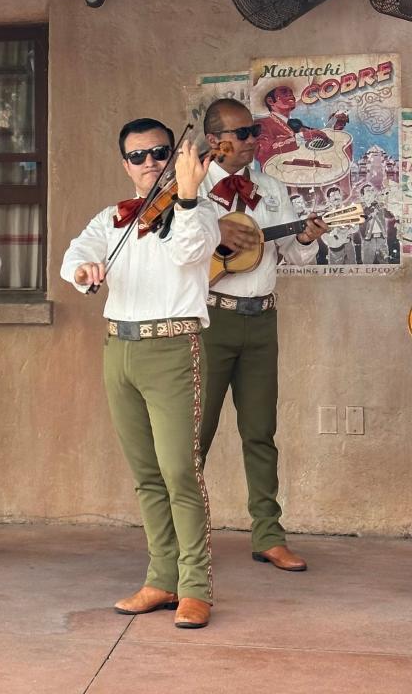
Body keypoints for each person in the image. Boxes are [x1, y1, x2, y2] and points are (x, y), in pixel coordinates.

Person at [60, 118, 219, 629]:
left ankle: (195, 586)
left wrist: (189, 199)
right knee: (147, 475)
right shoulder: (112, 217)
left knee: (179, 471)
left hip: (173, 347)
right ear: (123, 163)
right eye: (138, 155)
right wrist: (84, 271)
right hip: (119, 348)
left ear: (175, 156)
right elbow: (76, 254)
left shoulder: (202, 211)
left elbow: (190, 252)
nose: (150, 162)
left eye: (160, 152)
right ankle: (161, 578)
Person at [199, 99, 327, 573]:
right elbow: (173, 257)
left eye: (256, 130)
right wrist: (216, 244)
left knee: (260, 432)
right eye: (245, 132)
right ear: (215, 140)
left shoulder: (271, 188)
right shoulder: (190, 190)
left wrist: (307, 237)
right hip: (213, 320)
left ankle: (268, 535)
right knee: (196, 434)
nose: (255, 139)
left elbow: (293, 258)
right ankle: (182, 539)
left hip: (262, 320)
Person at [254, 84, 331, 170]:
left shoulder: (295, 124)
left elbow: (319, 136)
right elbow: (261, 151)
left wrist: (335, 122)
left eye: (291, 92)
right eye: (284, 92)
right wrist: (302, 137)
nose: (291, 95)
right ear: (270, 101)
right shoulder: (261, 123)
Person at [357, 183, 395, 265]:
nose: (371, 192)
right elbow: (363, 219)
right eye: (368, 191)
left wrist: (388, 202)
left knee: (385, 264)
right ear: (363, 197)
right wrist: (373, 208)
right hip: (368, 241)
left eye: (372, 190)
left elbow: (390, 216)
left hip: (382, 239)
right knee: (367, 265)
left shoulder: (379, 206)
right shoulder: (359, 209)